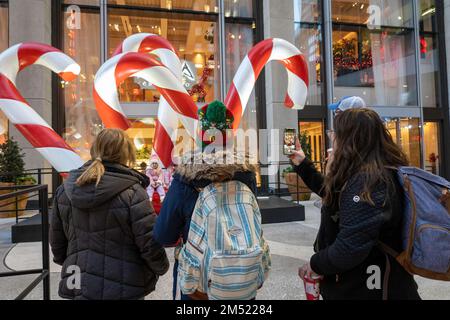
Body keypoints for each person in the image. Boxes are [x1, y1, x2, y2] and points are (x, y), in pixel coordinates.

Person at [291, 108, 420, 300]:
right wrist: (303, 164)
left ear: (350, 139)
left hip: (371, 289)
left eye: (335, 134)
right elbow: (334, 196)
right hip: (372, 283)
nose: (332, 139)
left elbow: (349, 248)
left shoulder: (370, 182)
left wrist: (314, 264)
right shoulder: (374, 173)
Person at [153, 101, 261, 300]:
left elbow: (164, 235)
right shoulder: (247, 176)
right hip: (241, 278)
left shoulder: (185, 178)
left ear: (200, 137)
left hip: (198, 282)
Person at [50, 128, 169, 300]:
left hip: (79, 280)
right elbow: (149, 241)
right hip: (126, 283)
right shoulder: (133, 192)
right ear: (126, 153)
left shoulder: (65, 190)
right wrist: (161, 267)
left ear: (95, 149)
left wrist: (74, 262)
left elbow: (57, 242)